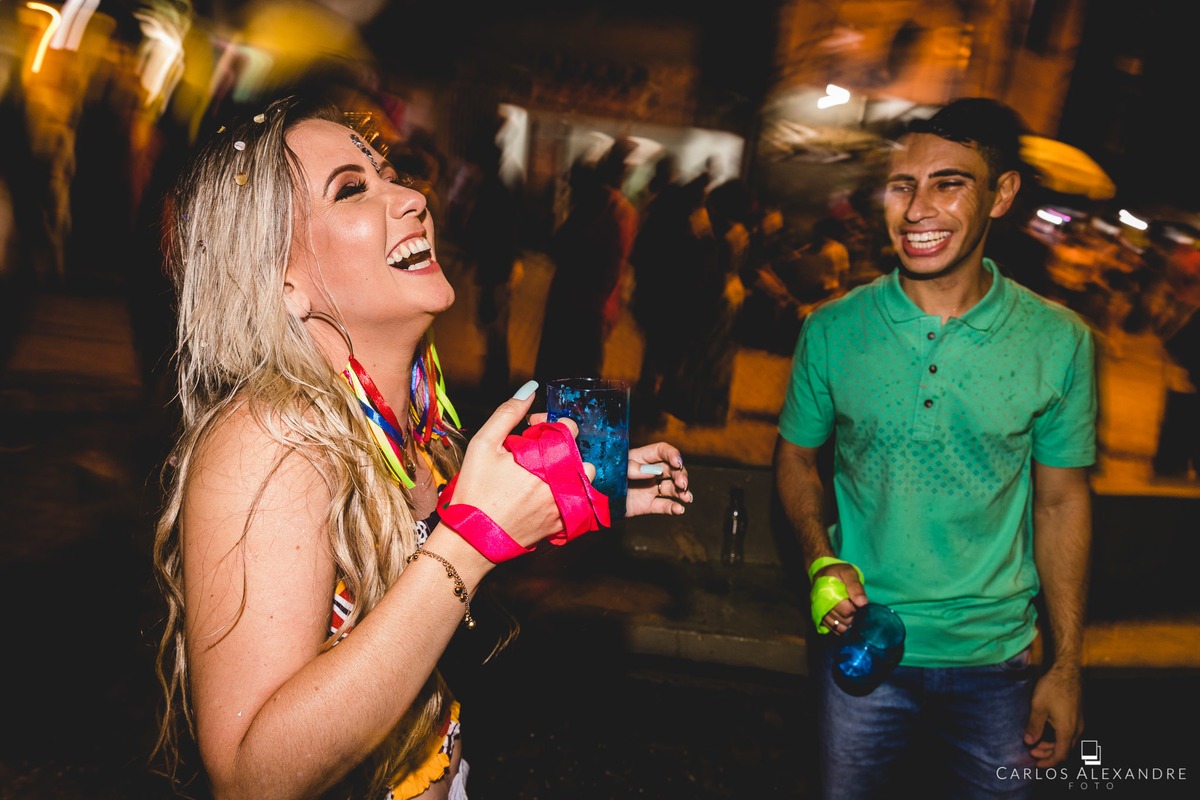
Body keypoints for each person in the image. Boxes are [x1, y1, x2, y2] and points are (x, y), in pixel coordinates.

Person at [151, 96, 692, 800]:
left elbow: (404, 594)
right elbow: (252, 777)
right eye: (351, 188)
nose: (411, 196)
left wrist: (555, 489)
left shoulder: (407, 416)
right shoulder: (271, 441)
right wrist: (472, 540)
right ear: (282, 280)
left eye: (391, 174)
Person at [774, 98, 1096, 799]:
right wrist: (818, 556)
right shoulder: (831, 330)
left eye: (949, 183)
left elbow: (1062, 499)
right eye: (902, 185)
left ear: (1001, 195)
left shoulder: (1059, 340)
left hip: (999, 664)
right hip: (861, 654)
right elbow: (796, 459)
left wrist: (1066, 665)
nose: (917, 208)